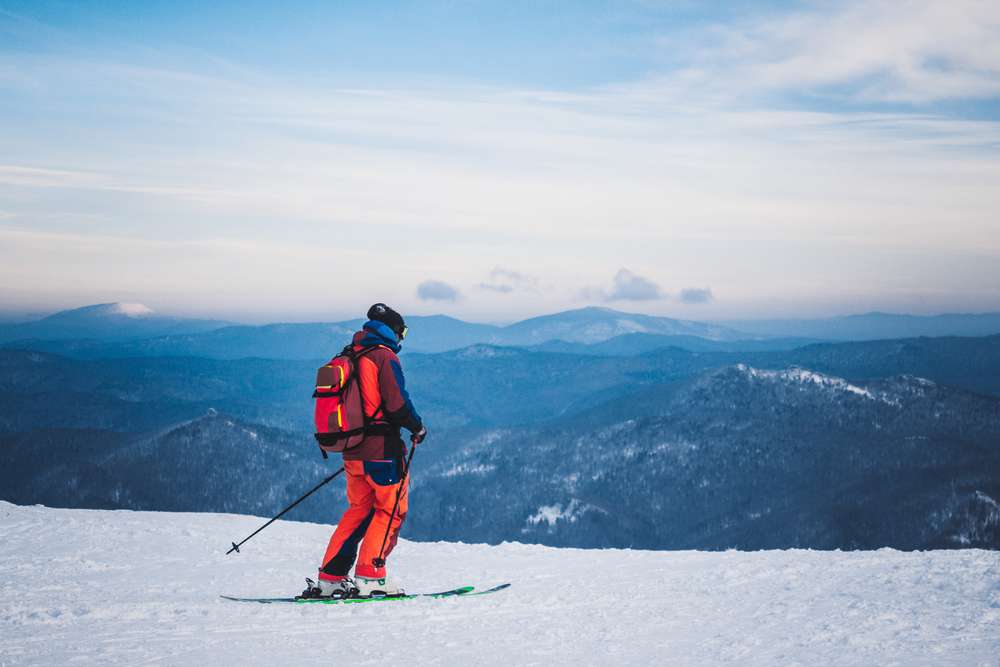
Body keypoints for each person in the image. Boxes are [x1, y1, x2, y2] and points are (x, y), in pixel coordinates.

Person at [304, 303, 426, 599]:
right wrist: (416, 427)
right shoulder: (383, 357)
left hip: (351, 451)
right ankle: (372, 576)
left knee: (359, 510)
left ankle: (331, 578)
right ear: (395, 331)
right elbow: (396, 402)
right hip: (382, 449)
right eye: (403, 332)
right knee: (390, 509)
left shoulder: (347, 355)